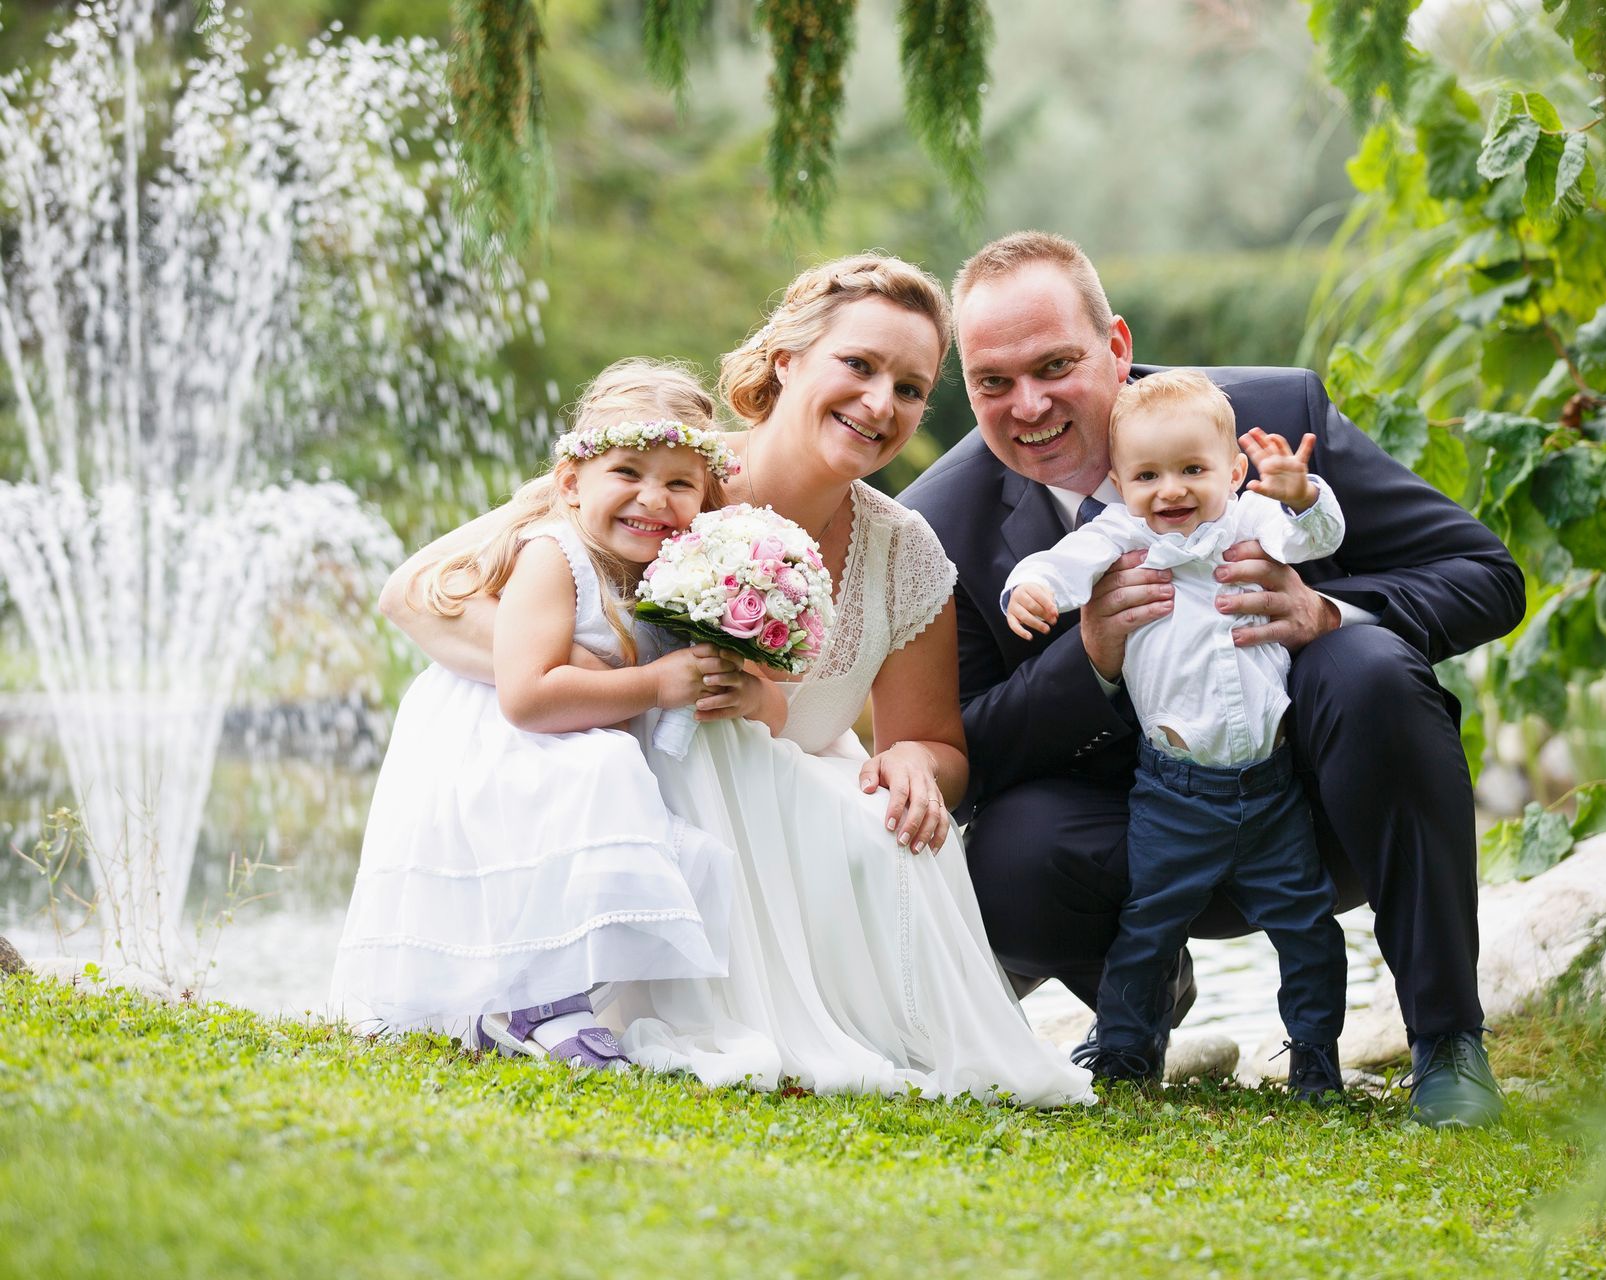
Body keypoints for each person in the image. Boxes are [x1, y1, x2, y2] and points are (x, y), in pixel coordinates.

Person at [380, 256, 1092, 1108]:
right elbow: (416, 593)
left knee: (890, 835)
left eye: (909, 387)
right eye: (858, 366)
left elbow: (932, 745)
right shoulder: (661, 477)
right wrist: (627, 674)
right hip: (636, 803)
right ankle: (569, 994)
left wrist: (915, 768)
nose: (880, 403)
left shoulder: (907, 552)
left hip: (785, 804)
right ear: (788, 360)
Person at [899, 231, 1525, 1126]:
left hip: (1319, 809)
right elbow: (965, 745)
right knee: (1008, 852)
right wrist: (1093, 659)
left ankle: (1447, 1042)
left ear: (1116, 346)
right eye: (994, 382)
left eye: (1055, 365)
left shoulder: (1272, 418)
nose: (1027, 405)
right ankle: (1140, 996)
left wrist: (1324, 614)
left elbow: (1483, 575)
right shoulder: (942, 524)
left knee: (1370, 666)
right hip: (1137, 837)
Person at [332, 360, 769, 1069]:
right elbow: (527, 695)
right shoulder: (554, 555)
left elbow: (764, 695)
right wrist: (657, 684)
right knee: (599, 778)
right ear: (571, 483)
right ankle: (537, 1004)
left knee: (626, 815)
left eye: (679, 483)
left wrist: (746, 691)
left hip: (565, 731)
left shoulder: (675, 573)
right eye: (627, 472)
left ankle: (531, 1003)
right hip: (505, 740)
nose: (652, 498)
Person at [1000, 370, 1349, 1097]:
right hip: (1174, 791)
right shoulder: (1122, 535)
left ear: (1234, 470)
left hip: (1270, 786)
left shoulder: (1253, 523)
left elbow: (1317, 537)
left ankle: (1315, 1054)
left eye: (1193, 470)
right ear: (1121, 484)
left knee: (1308, 926)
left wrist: (1302, 494)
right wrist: (1030, 589)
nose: (1171, 491)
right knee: (1148, 928)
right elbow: (1061, 567)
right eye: (1148, 475)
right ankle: (1129, 1053)